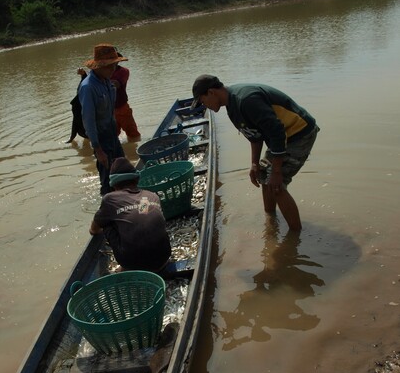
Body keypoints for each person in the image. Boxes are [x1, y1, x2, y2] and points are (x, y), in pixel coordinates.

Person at [191, 75, 319, 231]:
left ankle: (295, 236)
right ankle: (271, 221)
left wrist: (277, 172)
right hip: (280, 136)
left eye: (203, 102)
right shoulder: (232, 107)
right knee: (264, 175)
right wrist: (254, 164)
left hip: (299, 133)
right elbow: (255, 137)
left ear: (211, 92)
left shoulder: (246, 100)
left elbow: (277, 132)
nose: (205, 106)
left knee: (277, 185)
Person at [89, 157, 171, 272]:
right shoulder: (150, 196)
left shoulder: (110, 198)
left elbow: (94, 229)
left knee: (107, 223)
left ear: (114, 185)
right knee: (143, 215)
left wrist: (98, 231)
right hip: (163, 257)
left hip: (132, 263)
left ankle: (127, 267)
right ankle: (154, 261)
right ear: (136, 180)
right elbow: (142, 215)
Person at [78, 43, 126, 196]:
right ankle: (107, 212)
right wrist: (98, 150)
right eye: (110, 66)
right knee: (107, 182)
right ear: (99, 66)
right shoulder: (88, 87)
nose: (114, 69)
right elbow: (88, 120)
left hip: (113, 136)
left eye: (115, 65)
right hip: (101, 141)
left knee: (123, 172)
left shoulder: (106, 81)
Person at [111, 57, 141, 142]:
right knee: (112, 136)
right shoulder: (100, 74)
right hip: (108, 110)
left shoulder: (123, 71)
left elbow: (116, 84)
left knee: (133, 135)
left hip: (122, 107)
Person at [67, 68, 88, 143]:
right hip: (79, 106)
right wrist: (83, 74)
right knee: (78, 122)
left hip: (81, 106)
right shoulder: (87, 83)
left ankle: (72, 138)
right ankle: (72, 138)